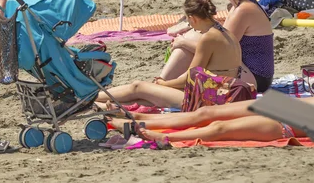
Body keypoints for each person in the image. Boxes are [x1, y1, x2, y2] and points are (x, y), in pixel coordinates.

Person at [95, 0, 243, 110]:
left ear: (192, 18)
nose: (189, 24)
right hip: (223, 95)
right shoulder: (226, 33)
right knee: (147, 98)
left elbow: (190, 78)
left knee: (138, 86)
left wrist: (164, 84)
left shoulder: (208, 38)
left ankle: (90, 98)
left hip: (208, 99)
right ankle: (99, 105)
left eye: (188, 20)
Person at [160, 0, 273, 91]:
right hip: (250, 71)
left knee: (189, 41)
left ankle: (162, 84)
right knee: (193, 36)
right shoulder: (240, 4)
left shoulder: (243, 10)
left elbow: (223, 49)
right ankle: (164, 83)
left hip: (256, 77)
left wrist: (183, 42)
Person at [106, 97, 313, 143]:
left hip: (292, 125)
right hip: (287, 106)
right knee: (205, 113)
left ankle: (164, 137)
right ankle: (139, 118)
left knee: (219, 127)